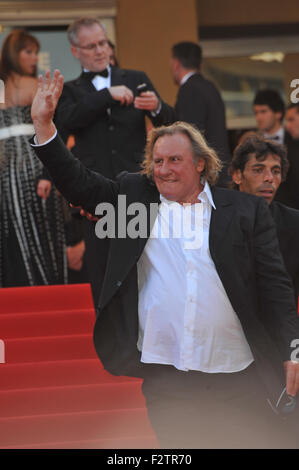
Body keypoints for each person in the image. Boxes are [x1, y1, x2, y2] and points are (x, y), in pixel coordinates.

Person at [30, 70, 299, 449]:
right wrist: (44, 127)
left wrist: (292, 350)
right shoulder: (135, 198)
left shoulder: (244, 211)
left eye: (174, 160)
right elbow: (79, 183)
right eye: (157, 161)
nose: (163, 170)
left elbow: (276, 288)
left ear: (200, 164)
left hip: (238, 372)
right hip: (168, 375)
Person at [54, 17, 172, 303]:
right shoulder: (71, 91)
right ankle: (110, 342)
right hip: (97, 197)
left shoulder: (135, 77)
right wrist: (106, 95)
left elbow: (172, 124)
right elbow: (65, 122)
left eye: (103, 43)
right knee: (105, 273)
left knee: (148, 269)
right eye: (91, 46)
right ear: (75, 51)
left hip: (139, 189)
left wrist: (157, 108)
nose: (99, 51)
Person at [0, 31, 67, 287]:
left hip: (33, 163)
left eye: (35, 51)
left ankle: (42, 289)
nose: (34, 57)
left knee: (40, 225)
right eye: (27, 51)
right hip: (6, 167)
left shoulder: (36, 85)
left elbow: (54, 126)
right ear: (12, 53)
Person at [229, 133, 299, 299]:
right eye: (258, 170)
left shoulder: (294, 223)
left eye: (276, 171)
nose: (269, 178)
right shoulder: (215, 219)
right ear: (237, 175)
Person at [153, 41, 231, 186]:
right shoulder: (211, 87)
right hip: (220, 170)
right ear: (200, 65)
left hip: (206, 175)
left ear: (176, 64)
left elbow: (191, 134)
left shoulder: (189, 90)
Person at [253, 89, 299, 209]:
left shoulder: (295, 138)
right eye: (256, 113)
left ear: (278, 113)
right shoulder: (252, 144)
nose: (259, 117)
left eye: (263, 112)